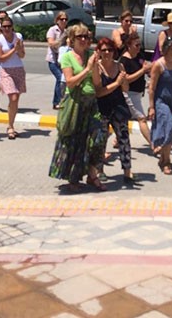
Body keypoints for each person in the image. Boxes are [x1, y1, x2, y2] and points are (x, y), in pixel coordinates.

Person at [49, 23, 106, 191]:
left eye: (86, 37)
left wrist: (94, 67)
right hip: (75, 102)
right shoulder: (68, 57)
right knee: (74, 141)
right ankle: (73, 178)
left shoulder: (90, 55)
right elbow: (70, 82)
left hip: (91, 102)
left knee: (98, 138)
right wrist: (87, 68)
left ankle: (92, 174)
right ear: (72, 40)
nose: (84, 40)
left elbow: (97, 83)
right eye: (80, 37)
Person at [93, 37, 133, 183]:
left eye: (110, 50)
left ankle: (127, 172)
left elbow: (125, 89)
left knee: (124, 139)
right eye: (104, 50)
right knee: (101, 141)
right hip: (102, 107)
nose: (107, 53)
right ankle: (100, 170)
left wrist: (124, 81)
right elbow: (99, 91)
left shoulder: (119, 66)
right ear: (99, 52)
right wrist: (116, 83)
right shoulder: (97, 67)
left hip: (119, 107)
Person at [147, 36, 172, 174]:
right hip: (161, 101)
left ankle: (162, 158)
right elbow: (152, 87)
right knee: (169, 127)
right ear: (166, 49)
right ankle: (167, 162)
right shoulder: (159, 65)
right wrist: (151, 107)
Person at [0, 16, 26, 139]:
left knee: (16, 98)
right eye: (4, 26)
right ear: (1, 28)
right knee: (12, 96)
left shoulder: (18, 37)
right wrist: (14, 50)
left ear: (12, 27)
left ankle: (11, 124)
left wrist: (19, 49)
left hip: (18, 68)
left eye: (9, 26)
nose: (7, 28)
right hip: (6, 70)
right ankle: (10, 126)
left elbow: (22, 55)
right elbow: (1, 58)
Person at [120, 32, 152, 148]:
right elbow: (126, 79)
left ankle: (116, 141)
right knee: (142, 119)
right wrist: (142, 71)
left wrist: (149, 71)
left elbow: (146, 68)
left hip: (138, 93)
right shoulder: (124, 60)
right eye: (136, 45)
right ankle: (153, 144)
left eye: (140, 45)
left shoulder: (139, 56)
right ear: (129, 46)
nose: (139, 48)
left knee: (121, 120)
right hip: (129, 93)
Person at [46, 12, 68, 110]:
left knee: (59, 81)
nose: (64, 21)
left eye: (65, 19)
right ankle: (60, 101)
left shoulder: (67, 32)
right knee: (60, 79)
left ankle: (55, 102)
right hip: (53, 60)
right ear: (57, 20)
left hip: (62, 60)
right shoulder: (52, 30)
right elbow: (51, 43)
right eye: (62, 19)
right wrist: (61, 40)